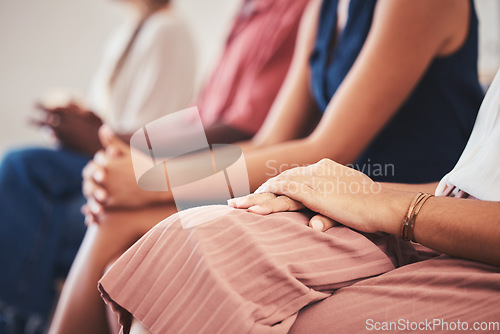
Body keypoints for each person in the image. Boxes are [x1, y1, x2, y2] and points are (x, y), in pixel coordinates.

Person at [58, 0, 484, 332]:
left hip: (385, 198)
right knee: (113, 216)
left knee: (120, 219)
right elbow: (272, 142)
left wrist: (152, 180)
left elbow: (329, 147)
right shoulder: (322, 6)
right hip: (320, 193)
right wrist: (146, 169)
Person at [49, 0, 311, 333]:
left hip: (261, 175)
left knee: (32, 172)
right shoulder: (249, 12)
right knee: (42, 171)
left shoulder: (301, 10)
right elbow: (200, 118)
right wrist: (126, 149)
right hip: (236, 161)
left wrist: (151, 173)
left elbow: (251, 131)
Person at [0, 0, 196, 332]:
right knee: (23, 176)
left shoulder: (168, 32)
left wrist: (93, 135)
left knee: (21, 170)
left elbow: (154, 138)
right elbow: (113, 122)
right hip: (107, 154)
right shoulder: (127, 33)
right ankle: (21, 314)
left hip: (136, 165)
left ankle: (17, 315)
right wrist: (80, 121)